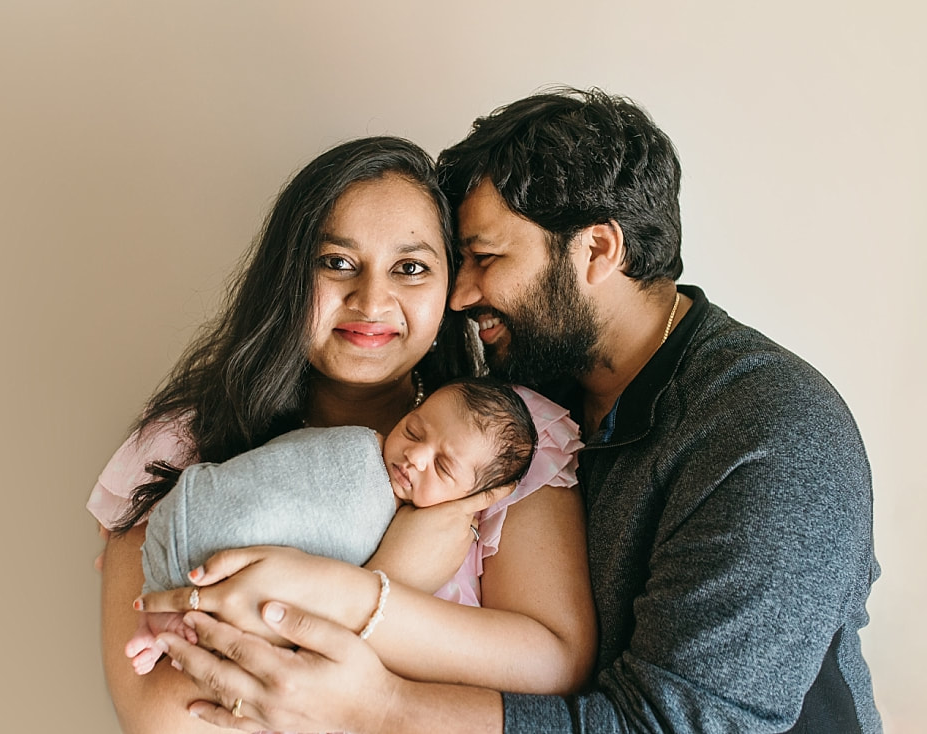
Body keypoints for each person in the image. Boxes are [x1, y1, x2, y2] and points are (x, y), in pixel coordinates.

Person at [146, 89, 881, 733]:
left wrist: (381, 710)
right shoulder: (530, 396)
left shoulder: (770, 434)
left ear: (598, 249)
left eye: (487, 259)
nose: (461, 296)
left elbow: (677, 727)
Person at [92, 135, 595, 732]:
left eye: (410, 268)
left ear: (451, 287)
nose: (372, 300)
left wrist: (338, 605)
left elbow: (551, 662)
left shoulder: (503, 437)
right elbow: (164, 718)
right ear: (289, 278)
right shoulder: (179, 443)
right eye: (336, 263)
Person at [127, 377, 539, 675]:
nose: (414, 456)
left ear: (475, 496)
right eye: (414, 430)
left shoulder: (438, 535)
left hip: (200, 570)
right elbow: (280, 466)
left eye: (443, 466)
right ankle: (162, 618)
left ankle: (159, 631)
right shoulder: (358, 446)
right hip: (194, 517)